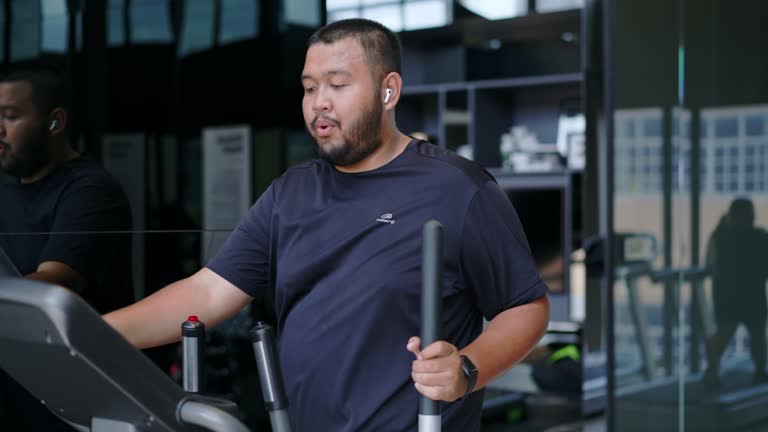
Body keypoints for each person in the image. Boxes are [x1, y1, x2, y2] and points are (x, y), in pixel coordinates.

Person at [104, 19, 549, 431]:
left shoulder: (458, 188)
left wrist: (467, 369)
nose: (319, 102)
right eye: (309, 87)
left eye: (337, 85)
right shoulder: (290, 194)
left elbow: (525, 306)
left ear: (388, 90)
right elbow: (207, 292)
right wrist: (91, 332)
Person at [0, 63, 134, 430]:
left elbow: (55, 281)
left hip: (77, 402)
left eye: (10, 117)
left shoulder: (89, 191)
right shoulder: (6, 189)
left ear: (55, 122)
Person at [704, 198, 768, 386]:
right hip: (751, 294)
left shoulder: (719, 237)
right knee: (755, 334)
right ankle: (759, 372)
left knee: (725, 333)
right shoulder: (759, 237)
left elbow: (709, 264)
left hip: (727, 294)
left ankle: (712, 371)